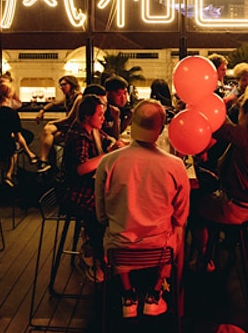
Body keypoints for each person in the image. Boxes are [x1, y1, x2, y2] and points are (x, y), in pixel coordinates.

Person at [95, 100, 190, 318]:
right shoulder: (175, 165)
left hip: (118, 250)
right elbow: (180, 216)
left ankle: (128, 295)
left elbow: (101, 216)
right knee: (179, 229)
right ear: (160, 130)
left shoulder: (108, 162)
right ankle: (155, 292)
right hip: (160, 250)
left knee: (116, 229)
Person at [192, 97, 248, 270]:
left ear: (247, 115)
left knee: (193, 205)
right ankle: (228, 240)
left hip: (237, 208)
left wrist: (202, 109)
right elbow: (230, 130)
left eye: (241, 112)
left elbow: (223, 129)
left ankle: (204, 258)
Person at [63, 94, 119, 282]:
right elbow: (81, 168)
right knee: (107, 209)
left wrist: (113, 144)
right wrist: (108, 154)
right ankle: (93, 256)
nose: (103, 118)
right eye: (100, 115)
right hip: (76, 192)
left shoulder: (94, 131)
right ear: (88, 117)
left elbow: (109, 139)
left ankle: (101, 254)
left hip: (88, 185)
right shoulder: (80, 135)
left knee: (112, 203)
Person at [0, 81, 36, 185]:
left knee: (9, 143)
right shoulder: (11, 113)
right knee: (15, 146)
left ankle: (7, 174)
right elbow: (18, 136)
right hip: (5, 148)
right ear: (11, 94)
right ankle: (9, 175)